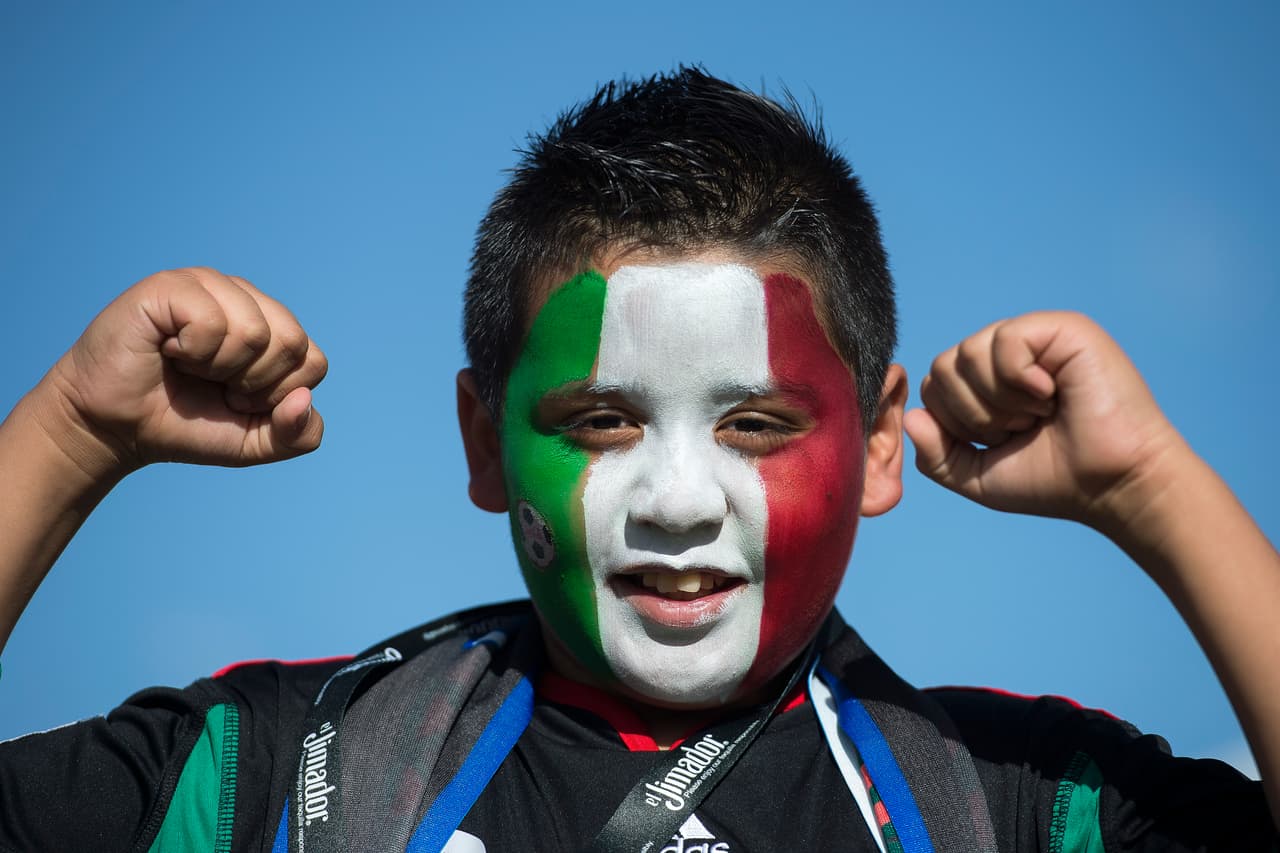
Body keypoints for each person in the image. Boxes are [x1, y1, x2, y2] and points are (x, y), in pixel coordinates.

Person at [0, 68, 1276, 852]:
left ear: (879, 440)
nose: (675, 500)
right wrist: (68, 435)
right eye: (601, 420)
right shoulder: (264, 774)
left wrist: (1151, 491)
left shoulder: (1024, 804)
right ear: (484, 442)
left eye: (755, 423)